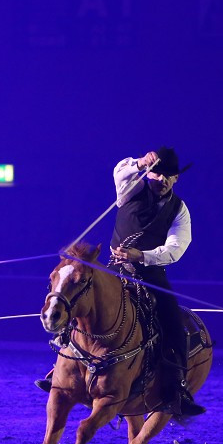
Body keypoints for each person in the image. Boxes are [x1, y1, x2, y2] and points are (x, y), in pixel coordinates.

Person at [36, 147, 205, 417]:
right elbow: (120, 172)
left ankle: (177, 388)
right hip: (114, 270)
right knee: (79, 300)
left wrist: (143, 255)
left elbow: (177, 246)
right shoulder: (132, 188)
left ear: (176, 179)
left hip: (150, 273)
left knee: (173, 321)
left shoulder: (179, 210)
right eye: (157, 173)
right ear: (151, 172)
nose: (161, 179)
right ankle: (59, 369)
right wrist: (140, 162)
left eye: (167, 176)